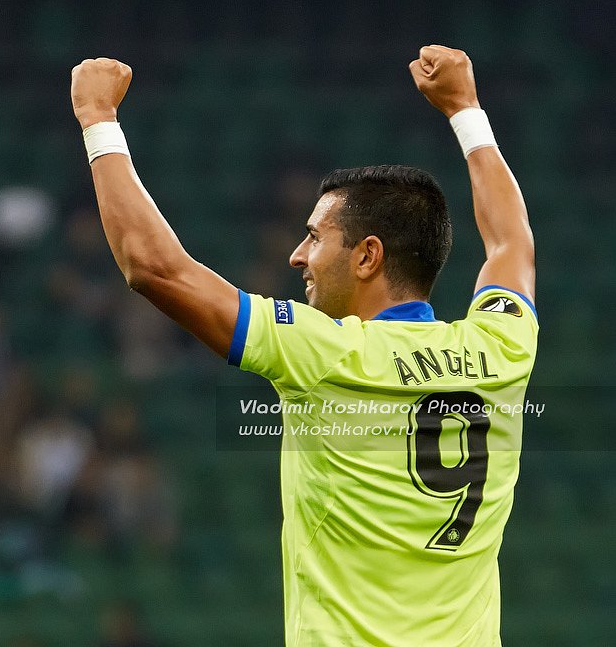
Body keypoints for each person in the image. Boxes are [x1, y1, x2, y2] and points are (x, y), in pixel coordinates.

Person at [70, 45, 538, 647]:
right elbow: (511, 244)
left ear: (368, 255)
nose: (297, 255)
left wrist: (97, 119)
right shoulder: (502, 348)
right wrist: (466, 108)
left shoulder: (325, 354)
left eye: (315, 236)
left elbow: (154, 268)